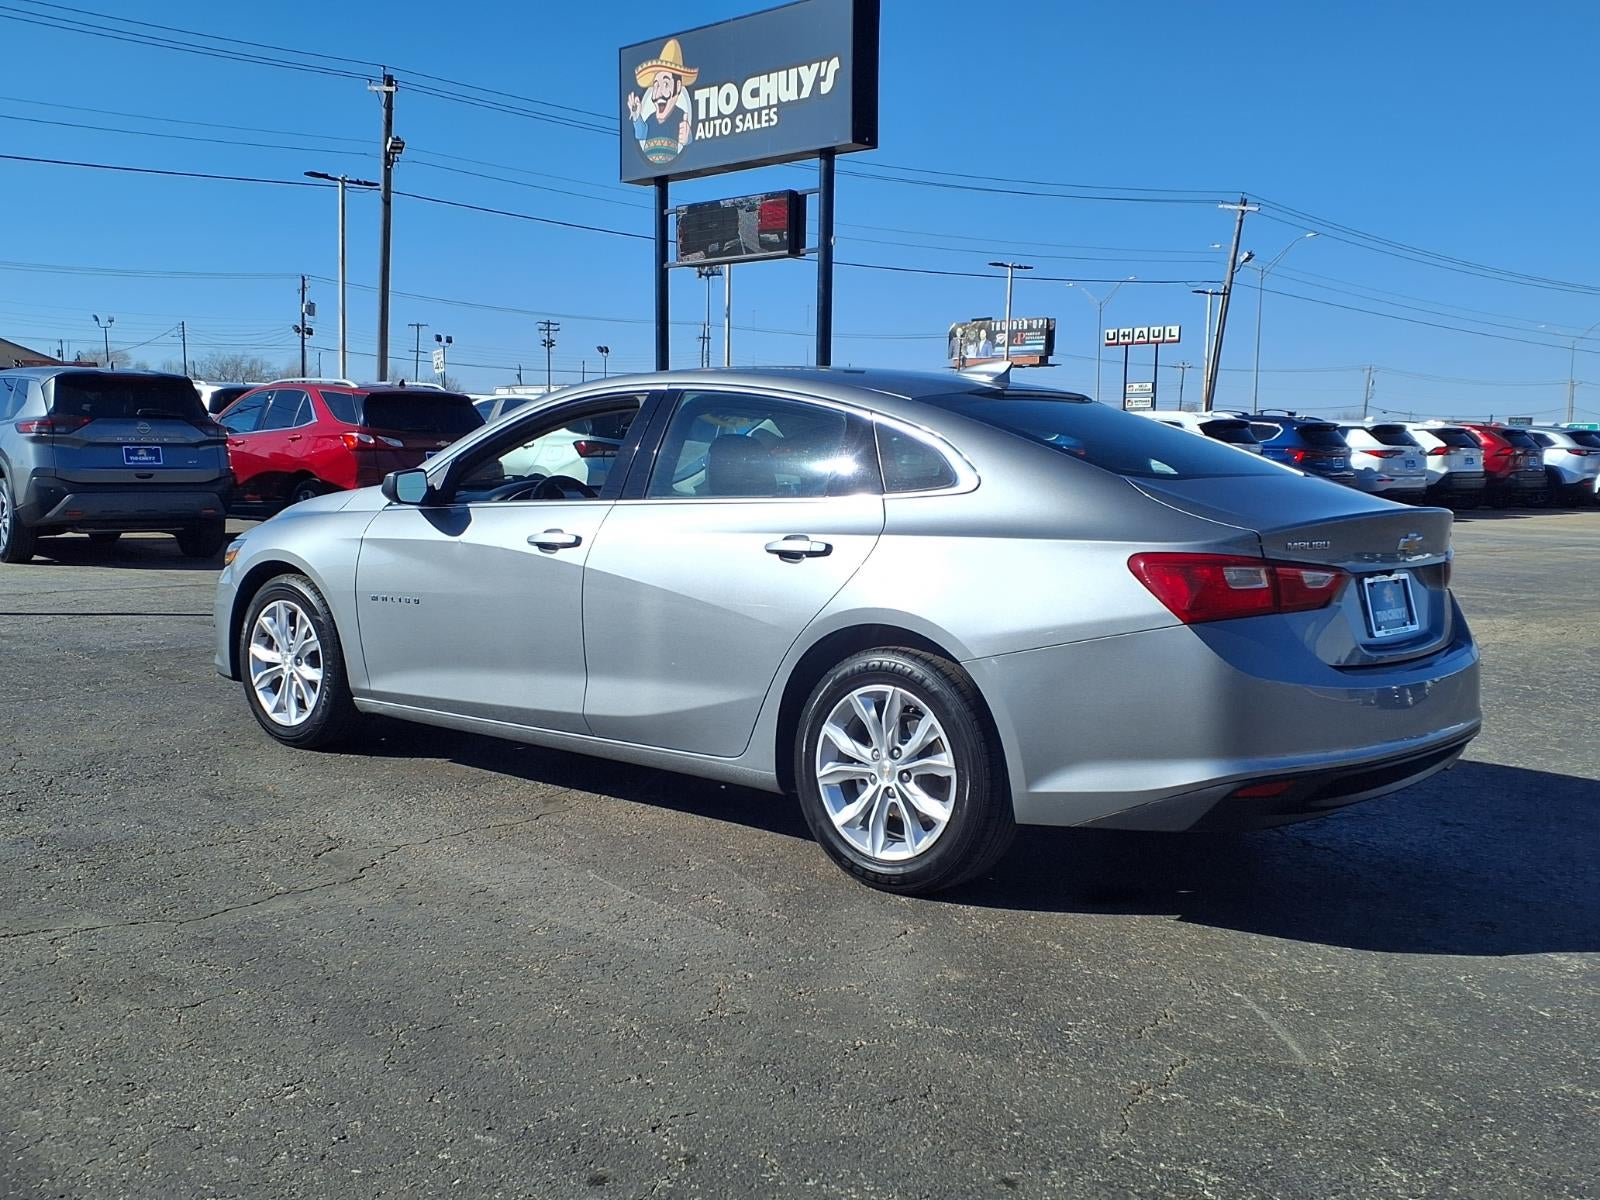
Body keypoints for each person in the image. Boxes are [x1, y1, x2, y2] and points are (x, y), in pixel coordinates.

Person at [627, 39, 698, 167]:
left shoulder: (681, 117)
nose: (659, 93)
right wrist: (637, 116)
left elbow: (690, 147)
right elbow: (640, 135)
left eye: (666, 84)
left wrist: (688, 140)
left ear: (677, 86)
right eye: (656, 85)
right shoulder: (650, 119)